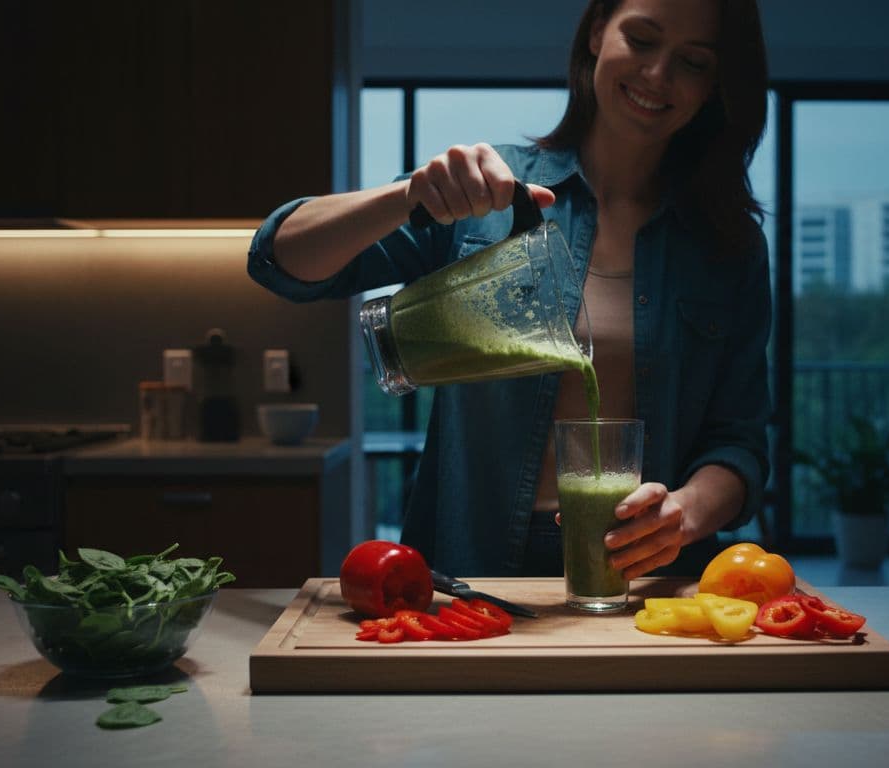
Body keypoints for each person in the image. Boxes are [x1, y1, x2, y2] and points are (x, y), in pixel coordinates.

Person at [248, 0, 771, 580]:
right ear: (598, 32)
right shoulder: (488, 195)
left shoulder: (728, 245)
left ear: (715, 84)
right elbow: (279, 261)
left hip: (648, 579)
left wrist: (688, 512)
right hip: (474, 567)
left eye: (692, 62)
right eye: (642, 40)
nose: (656, 75)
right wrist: (407, 198)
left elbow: (739, 442)